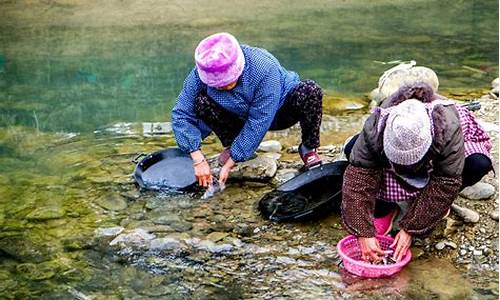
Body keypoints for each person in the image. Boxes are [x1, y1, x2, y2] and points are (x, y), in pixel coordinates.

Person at [341, 82, 493, 263]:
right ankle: (385, 206)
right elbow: (359, 176)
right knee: (353, 150)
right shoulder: (378, 122)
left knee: (478, 163)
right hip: (389, 145)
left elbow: (446, 181)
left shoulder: (448, 126)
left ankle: (431, 206)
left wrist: (411, 229)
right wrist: (362, 232)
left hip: (447, 145)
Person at [172, 32, 323, 188]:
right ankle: (232, 143)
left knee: (310, 91)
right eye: (216, 85)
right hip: (238, 114)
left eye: (226, 83)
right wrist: (197, 157)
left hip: (279, 110)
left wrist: (232, 161)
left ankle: (308, 147)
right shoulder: (202, 71)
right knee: (201, 100)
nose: (221, 87)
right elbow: (181, 113)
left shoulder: (263, 67)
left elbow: (258, 121)